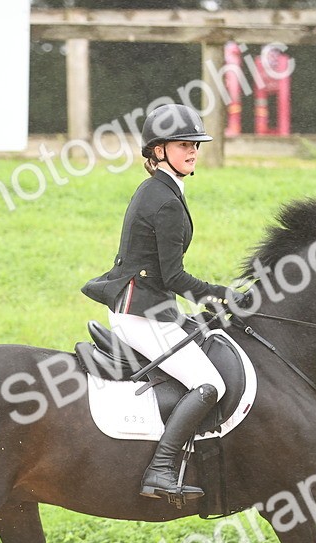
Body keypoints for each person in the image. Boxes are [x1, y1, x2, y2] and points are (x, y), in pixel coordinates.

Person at [82, 103, 246, 502]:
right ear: (157, 151)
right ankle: (160, 469)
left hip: (149, 304)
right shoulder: (165, 201)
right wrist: (225, 295)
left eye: (195, 144)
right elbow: (173, 277)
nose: (192, 151)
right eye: (182, 144)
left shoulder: (163, 189)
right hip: (142, 314)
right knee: (209, 384)